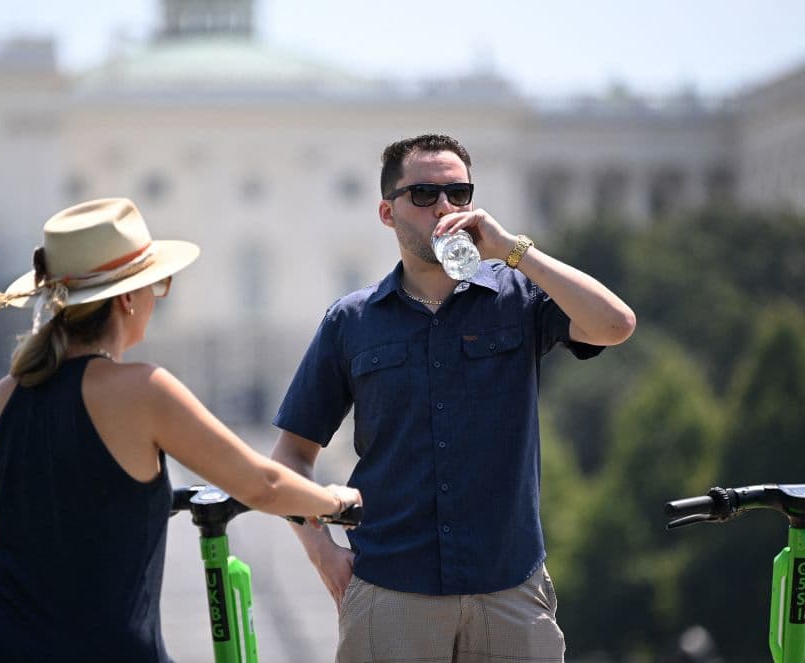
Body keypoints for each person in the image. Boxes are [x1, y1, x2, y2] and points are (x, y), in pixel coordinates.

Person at [271, 134, 636, 662]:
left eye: (458, 193)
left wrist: (513, 249)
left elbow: (615, 325)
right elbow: (290, 458)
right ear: (387, 212)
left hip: (510, 589)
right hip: (391, 590)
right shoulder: (351, 321)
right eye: (423, 194)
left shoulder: (519, 297)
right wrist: (321, 552)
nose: (444, 207)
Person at [0, 198, 362, 663]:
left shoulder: (0, 398)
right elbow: (261, 484)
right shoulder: (142, 390)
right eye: (159, 285)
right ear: (127, 297)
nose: (156, 298)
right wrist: (337, 502)